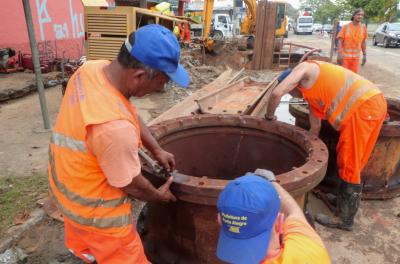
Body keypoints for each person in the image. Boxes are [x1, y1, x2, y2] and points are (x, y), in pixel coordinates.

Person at [48, 24, 190, 263]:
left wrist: (156, 149)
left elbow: (126, 109)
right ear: (139, 76)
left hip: (71, 191)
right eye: (162, 82)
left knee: (87, 252)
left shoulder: (92, 70)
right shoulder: (113, 128)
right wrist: (157, 196)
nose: (161, 88)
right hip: (101, 221)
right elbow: (133, 185)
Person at [265, 61, 387, 231]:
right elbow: (315, 127)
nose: (293, 97)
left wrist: (269, 117)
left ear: (292, 85)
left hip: (364, 107)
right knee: (351, 159)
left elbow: (276, 93)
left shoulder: (305, 69)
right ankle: (342, 200)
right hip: (370, 104)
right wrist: (305, 158)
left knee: (350, 161)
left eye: (291, 93)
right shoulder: (312, 94)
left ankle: (344, 219)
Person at [216, 170, 330, 264]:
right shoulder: (309, 249)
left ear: (220, 221)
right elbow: (294, 212)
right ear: (280, 224)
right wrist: (272, 182)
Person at [337, 8, 367, 73]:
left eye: (362, 15)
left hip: (356, 59)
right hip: (345, 59)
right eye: (358, 14)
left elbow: (363, 42)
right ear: (354, 15)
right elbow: (340, 41)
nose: (360, 16)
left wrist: (364, 55)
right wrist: (339, 54)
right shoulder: (345, 27)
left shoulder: (363, 28)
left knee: (353, 78)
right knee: (344, 76)